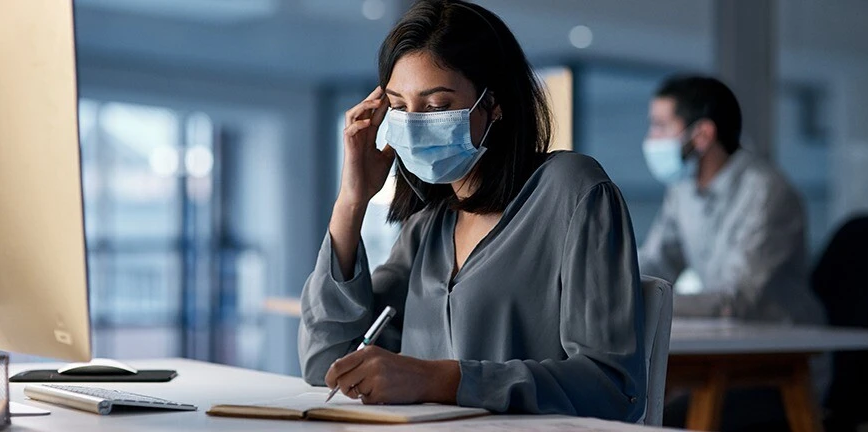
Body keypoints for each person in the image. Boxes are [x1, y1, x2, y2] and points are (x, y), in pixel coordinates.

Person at [298, 0, 646, 421]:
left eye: (436, 105)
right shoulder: (427, 226)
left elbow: (613, 389)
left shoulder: (572, 190)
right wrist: (351, 201)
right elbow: (326, 363)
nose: (414, 123)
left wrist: (438, 380)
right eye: (399, 107)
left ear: (493, 103)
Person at [639, 75, 824, 324]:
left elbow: (736, 300)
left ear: (702, 135)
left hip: (782, 341)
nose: (651, 138)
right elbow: (657, 261)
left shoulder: (766, 192)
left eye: (660, 126)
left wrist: (643, 300)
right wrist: (616, 287)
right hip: (727, 334)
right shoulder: (682, 189)